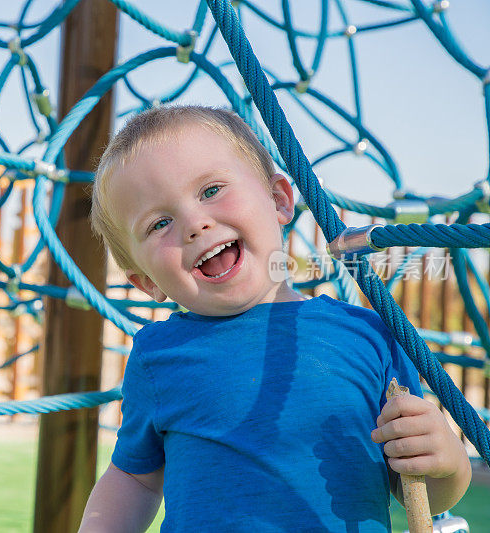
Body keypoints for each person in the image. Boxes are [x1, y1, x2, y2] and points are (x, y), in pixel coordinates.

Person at [79, 105, 471, 532]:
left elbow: (417, 489)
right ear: (146, 282)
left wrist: (447, 464)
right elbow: (134, 478)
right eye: (159, 223)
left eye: (211, 191)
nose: (194, 224)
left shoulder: (368, 335)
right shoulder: (159, 354)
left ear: (280, 200)